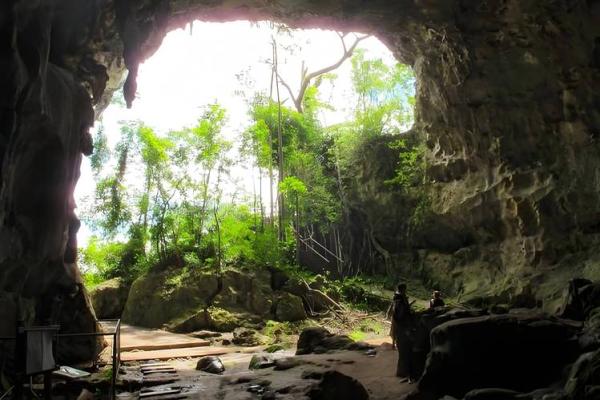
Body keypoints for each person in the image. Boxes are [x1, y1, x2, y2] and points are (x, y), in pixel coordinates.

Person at [389, 283, 416, 382]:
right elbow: (400, 314)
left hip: (400, 326)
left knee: (403, 351)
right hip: (402, 327)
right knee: (405, 350)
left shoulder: (398, 298)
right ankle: (403, 372)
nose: (406, 290)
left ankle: (402, 372)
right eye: (405, 289)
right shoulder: (400, 300)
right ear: (403, 289)